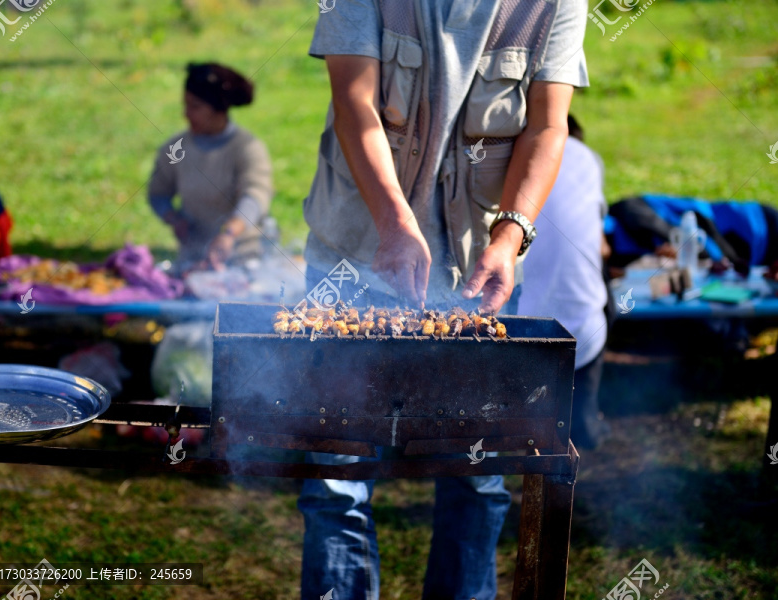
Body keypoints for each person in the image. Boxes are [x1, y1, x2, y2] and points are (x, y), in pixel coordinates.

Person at [297, 2, 588, 599]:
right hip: (353, 259)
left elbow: (546, 125)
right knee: (337, 473)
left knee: (477, 475)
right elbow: (356, 102)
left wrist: (510, 237)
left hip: (478, 277)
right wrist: (394, 224)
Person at [517, 115, 612, 450]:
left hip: (514, 334)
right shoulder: (588, 159)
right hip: (584, 335)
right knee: (600, 293)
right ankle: (586, 423)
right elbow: (602, 247)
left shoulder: (509, 153)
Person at [148, 63, 273, 272]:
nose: (186, 114)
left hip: (245, 257)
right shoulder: (175, 148)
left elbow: (255, 196)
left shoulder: (247, 148)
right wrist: (173, 218)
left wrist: (228, 234)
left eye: (195, 107)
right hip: (193, 257)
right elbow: (158, 193)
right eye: (186, 105)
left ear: (218, 109)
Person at [605, 195, 778, 276]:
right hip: (756, 261)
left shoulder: (628, 212)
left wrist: (687, 252)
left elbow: (700, 218)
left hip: (757, 225)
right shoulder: (615, 259)